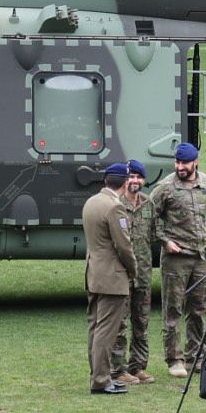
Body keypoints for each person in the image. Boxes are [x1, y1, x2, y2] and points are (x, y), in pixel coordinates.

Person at [152, 142, 206, 378]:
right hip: (176, 258)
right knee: (173, 310)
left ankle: (196, 357)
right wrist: (165, 241)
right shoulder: (165, 187)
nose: (180, 167)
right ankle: (175, 359)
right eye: (178, 162)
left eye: (185, 163)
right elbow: (150, 218)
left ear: (195, 162)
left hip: (202, 256)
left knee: (199, 310)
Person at [83, 163, 137, 394]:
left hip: (94, 272)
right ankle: (102, 379)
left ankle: (97, 374)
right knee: (106, 330)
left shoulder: (92, 202)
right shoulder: (115, 208)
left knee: (95, 327)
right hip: (112, 277)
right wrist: (133, 270)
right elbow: (124, 246)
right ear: (125, 183)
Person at [112, 159, 156, 385]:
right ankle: (118, 370)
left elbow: (156, 234)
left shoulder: (149, 204)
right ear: (125, 180)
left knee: (142, 322)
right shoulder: (116, 204)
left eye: (139, 177)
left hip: (143, 274)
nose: (135, 181)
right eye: (131, 177)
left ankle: (137, 366)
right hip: (121, 273)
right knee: (120, 323)